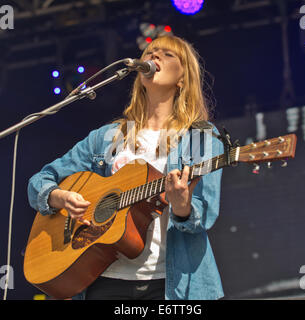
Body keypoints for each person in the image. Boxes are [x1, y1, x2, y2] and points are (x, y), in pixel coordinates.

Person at [27, 35, 224, 300]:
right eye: (150, 52)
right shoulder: (108, 136)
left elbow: (205, 215)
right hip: (104, 280)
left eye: (167, 54)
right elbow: (41, 179)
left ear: (182, 78)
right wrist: (58, 196)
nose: (153, 56)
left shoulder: (200, 136)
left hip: (172, 286)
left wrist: (181, 206)